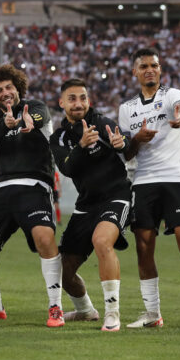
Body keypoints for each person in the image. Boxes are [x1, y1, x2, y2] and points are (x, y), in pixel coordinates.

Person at [118, 48, 180, 330]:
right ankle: (152, 314)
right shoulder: (126, 109)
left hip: (176, 179)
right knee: (144, 247)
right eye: (144, 66)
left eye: (154, 66)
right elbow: (127, 153)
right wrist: (137, 138)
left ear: (160, 70)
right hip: (144, 182)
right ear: (135, 72)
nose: (150, 70)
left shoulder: (172, 95)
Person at [0, 64, 64, 328]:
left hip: (35, 186)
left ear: (18, 89)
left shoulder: (34, 107)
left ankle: (55, 306)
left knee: (44, 237)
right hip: (2, 191)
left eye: (9, 88)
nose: (5, 92)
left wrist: (27, 122)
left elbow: (39, 117)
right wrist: (5, 123)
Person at [49, 78, 132, 332]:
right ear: (62, 102)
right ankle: (86, 310)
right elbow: (67, 167)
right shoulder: (59, 137)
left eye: (83, 98)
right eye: (72, 98)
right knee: (62, 271)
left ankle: (112, 312)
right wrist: (82, 146)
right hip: (86, 205)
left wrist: (123, 143)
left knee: (102, 241)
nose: (78, 103)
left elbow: (124, 142)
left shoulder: (101, 121)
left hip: (116, 196)